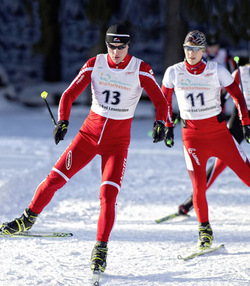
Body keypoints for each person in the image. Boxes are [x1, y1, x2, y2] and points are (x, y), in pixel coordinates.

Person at [0, 23, 171, 273]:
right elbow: (68, 94)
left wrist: (160, 123)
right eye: (112, 47)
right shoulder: (95, 63)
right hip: (87, 137)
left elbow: (161, 101)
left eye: (121, 47)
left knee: (107, 197)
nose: (116, 52)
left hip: (117, 145)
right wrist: (63, 120)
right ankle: (27, 220)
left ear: (128, 46)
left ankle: (100, 249)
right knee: (54, 179)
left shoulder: (140, 68)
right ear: (106, 45)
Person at [162, 30, 250, 249]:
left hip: (220, 134)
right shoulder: (174, 72)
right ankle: (204, 231)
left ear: (203, 51)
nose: (191, 54)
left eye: (196, 49)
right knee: (199, 185)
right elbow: (163, 99)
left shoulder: (217, 70)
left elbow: (238, 96)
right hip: (192, 138)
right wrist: (167, 126)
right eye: (188, 49)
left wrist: (245, 122)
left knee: (247, 175)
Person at [172, 61, 250, 217]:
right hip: (239, 123)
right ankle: (189, 203)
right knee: (217, 167)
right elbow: (222, 98)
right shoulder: (240, 73)